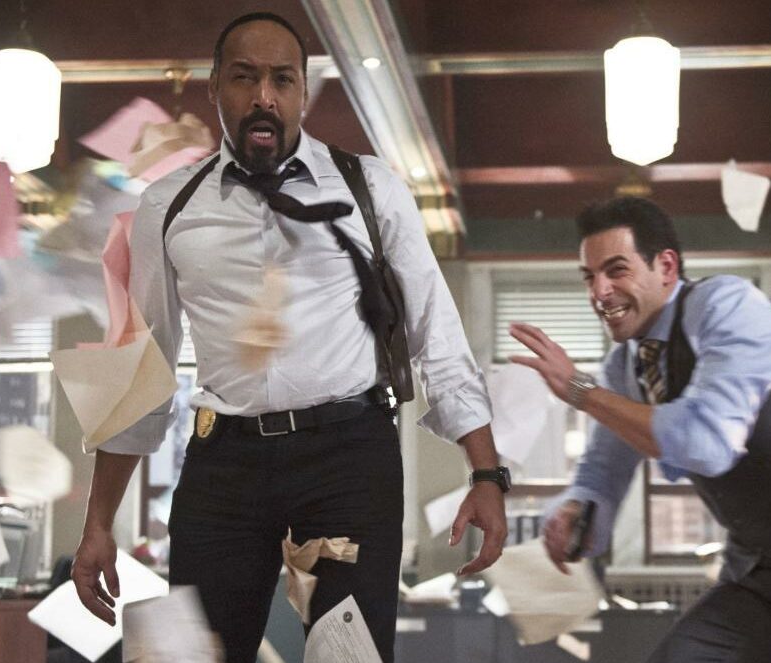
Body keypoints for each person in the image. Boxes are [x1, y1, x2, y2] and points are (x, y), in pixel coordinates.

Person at [69, 12, 508, 663]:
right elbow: (142, 363)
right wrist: (98, 523)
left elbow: (435, 331)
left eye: (282, 79)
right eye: (244, 78)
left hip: (348, 457)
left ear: (303, 91)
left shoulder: (369, 187)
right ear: (215, 87)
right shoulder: (167, 203)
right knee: (189, 655)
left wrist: (486, 472)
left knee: (349, 655)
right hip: (224, 463)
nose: (264, 97)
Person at [510, 197, 771, 662]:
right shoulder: (624, 367)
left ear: (666, 266)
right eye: (589, 277)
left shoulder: (727, 305)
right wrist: (578, 510)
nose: (600, 292)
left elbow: (708, 443)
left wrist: (580, 391)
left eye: (616, 271)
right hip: (761, 569)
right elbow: (602, 472)